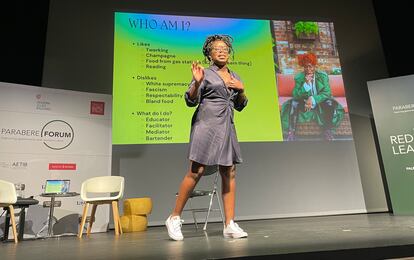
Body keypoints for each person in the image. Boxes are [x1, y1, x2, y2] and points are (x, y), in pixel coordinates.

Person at [165, 35, 248, 241]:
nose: (222, 51)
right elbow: (190, 100)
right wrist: (196, 82)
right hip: (206, 125)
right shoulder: (205, 73)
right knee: (197, 171)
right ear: (209, 53)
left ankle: (229, 223)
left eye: (225, 49)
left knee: (229, 171)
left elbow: (240, 105)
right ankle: (174, 217)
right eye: (217, 49)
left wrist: (241, 89)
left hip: (227, 126)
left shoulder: (234, 75)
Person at [280, 53, 344, 141]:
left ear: (314, 66)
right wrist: (306, 84)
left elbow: (326, 93)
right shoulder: (299, 77)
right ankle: (291, 133)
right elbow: (296, 95)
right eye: (306, 67)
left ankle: (327, 131)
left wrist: (313, 99)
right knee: (293, 103)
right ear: (303, 67)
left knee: (330, 103)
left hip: (320, 101)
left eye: (311, 66)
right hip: (304, 102)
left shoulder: (322, 76)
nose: (308, 69)